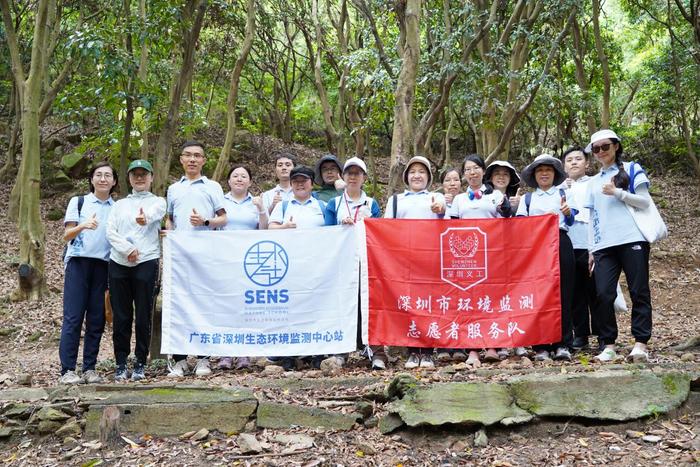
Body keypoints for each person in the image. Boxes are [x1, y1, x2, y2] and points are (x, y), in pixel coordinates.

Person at [584, 129, 654, 363]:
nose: (601, 152)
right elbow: (591, 217)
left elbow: (644, 201)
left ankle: (641, 343)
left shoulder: (632, 169)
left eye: (605, 146)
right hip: (604, 245)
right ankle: (608, 344)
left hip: (633, 239)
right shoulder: (593, 183)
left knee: (639, 291)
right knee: (603, 294)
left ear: (615, 146)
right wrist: (591, 250)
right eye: (596, 149)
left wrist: (618, 193)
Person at [166, 141, 227, 377]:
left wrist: (206, 221)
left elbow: (224, 218)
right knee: (178, 303)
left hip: (206, 254)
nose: (192, 159)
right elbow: (170, 219)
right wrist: (168, 230)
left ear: (203, 160)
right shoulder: (174, 189)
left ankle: (203, 358)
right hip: (180, 256)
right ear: (181, 159)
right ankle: (180, 359)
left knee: (204, 302)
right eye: (188, 155)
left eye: (197, 156)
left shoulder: (212, 187)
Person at [447, 155, 512, 366]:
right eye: (468, 169)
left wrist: (505, 206)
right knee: (469, 302)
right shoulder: (459, 200)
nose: (472, 172)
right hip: (467, 260)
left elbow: (507, 220)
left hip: (492, 255)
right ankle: (473, 349)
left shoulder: (495, 195)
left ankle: (493, 345)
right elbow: (451, 229)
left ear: (484, 172)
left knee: (491, 300)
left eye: (476, 168)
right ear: (464, 174)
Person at [106, 160, 166, 382]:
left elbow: (155, 213)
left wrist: (145, 218)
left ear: (151, 177)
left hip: (146, 261)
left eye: (144, 174)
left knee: (143, 315)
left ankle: (140, 361)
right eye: (135, 175)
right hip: (119, 262)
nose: (139, 178)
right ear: (129, 178)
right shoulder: (118, 205)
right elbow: (110, 231)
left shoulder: (158, 201)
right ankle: (121, 362)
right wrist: (127, 249)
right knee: (121, 316)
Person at [384, 155, 446, 369]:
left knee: (428, 304)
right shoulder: (396, 201)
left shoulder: (436, 197)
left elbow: (443, 213)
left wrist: (440, 209)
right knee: (409, 304)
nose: (417, 175)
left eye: (421, 171)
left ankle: (428, 351)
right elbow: (385, 230)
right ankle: (412, 351)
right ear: (406, 177)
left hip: (430, 260)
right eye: (413, 172)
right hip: (403, 261)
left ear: (428, 176)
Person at [58, 161, 117, 385]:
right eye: (98, 175)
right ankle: (67, 370)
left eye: (107, 175)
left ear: (114, 182)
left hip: (104, 266)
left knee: (96, 319)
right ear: (92, 180)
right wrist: (83, 225)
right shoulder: (79, 201)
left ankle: (89, 368)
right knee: (73, 318)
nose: (103, 179)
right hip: (78, 264)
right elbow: (66, 235)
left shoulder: (116, 208)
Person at [324, 157, 383, 369]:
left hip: (366, 262)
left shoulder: (371, 203)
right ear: (343, 176)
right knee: (342, 303)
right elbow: (325, 234)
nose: (353, 177)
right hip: (341, 263)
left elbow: (378, 233)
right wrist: (341, 226)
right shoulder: (334, 204)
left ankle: (376, 351)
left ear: (364, 178)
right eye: (349, 173)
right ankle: (340, 350)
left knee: (369, 303)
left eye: (357, 173)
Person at [517, 154, 576, 362]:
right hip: (536, 248)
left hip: (560, 242)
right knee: (538, 294)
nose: (544, 173)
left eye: (548, 170)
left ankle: (563, 344)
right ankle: (540, 345)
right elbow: (520, 225)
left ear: (555, 174)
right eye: (540, 170)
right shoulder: (527, 199)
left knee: (564, 293)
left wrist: (568, 213)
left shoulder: (564, 193)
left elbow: (572, 219)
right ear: (534, 175)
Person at [218, 165, 268, 371]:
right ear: (228, 181)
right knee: (226, 306)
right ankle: (225, 353)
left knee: (246, 307)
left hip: (249, 263)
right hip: (224, 259)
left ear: (250, 182)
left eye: (244, 176)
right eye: (235, 176)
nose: (239, 179)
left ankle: (244, 353)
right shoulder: (220, 201)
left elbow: (264, 229)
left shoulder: (255, 202)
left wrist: (262, 209)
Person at [484, 159, 527, 359]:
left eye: (505, 174)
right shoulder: (482, 197)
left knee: (514, 296)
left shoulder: (520, 199)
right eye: (497, 173)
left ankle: (518, 340)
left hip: (513, 255)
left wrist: (515, 207)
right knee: (492, 298)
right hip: (489, 255)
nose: (501, 177)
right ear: (491, 178)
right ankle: (496, 341)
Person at [559, 147, 598, 351]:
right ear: (564, 166)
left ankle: (603, 335)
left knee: (596, 291)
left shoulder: (595, 182)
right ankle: (580, 334)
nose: (574, 163)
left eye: (578, 159)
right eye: (570, 160)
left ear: (587, 163)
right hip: (569, 245)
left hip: (592, 243)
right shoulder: (559, 188)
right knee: (574, 293)